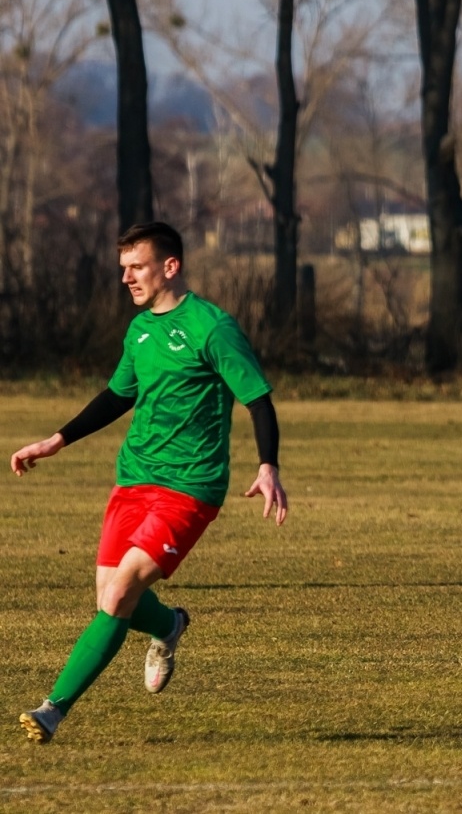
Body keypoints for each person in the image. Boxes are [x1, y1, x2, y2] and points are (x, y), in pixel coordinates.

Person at [11, 223, 289, 744]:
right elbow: (119, 395)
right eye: (123, 268)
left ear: (170, 266)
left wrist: (267, 464)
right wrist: (56, 440)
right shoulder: (139, 330)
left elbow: (258, 399)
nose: (126, 278)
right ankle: (168, 627)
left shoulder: (213, 327)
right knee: (110, 599)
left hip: (190, 485)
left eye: (135, 267)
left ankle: (53, 709)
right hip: (133, 479)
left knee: (118, 595)